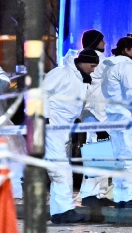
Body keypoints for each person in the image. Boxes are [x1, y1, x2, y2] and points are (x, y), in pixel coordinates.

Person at [42, 48, 100, 224]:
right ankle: (64, 211)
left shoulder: (82, 80)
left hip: (63, 130)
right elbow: (41, 92)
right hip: (52, 127)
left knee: (60, 170)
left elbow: (80, 106)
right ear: (82, 63)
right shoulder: (61, 74)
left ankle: (60, 212)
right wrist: (43, 118)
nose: (93, 69)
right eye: (92, 65)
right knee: (60, 170)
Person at [100, 36, 132, 208]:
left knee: (121, 159)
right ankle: (130, 197)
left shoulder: (110, 66)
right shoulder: (127, 67)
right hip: (130, 117)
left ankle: (121, 196)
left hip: (114, 117)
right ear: (126, 50)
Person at [76, 29, 114, 207]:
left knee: (99, 153)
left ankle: (96, 194)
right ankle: (92, 194)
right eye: (102, 41)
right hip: (99, 115)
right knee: (99, 153)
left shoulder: (87, 61)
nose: (105, 44)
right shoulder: (101, 62)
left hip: (93, 114)